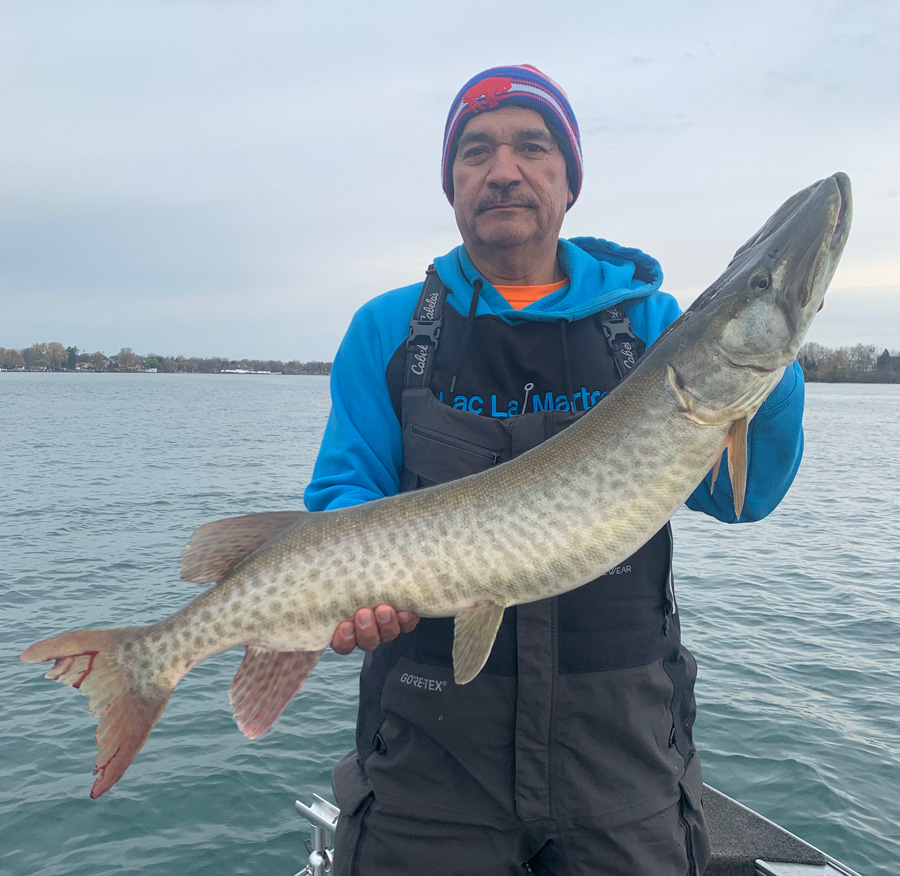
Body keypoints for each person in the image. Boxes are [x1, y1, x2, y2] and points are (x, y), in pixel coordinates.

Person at [304, 65, 805, 876]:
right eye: (475, 152)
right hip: (429, 761)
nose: (503, 170)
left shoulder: (649, 325)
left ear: (569, 180)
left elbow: (746, 497)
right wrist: (352, 591)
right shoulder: (390, 328)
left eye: (532, 146)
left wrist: (771, 370)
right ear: (452, 184)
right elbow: (346, 492)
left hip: (623, 756)